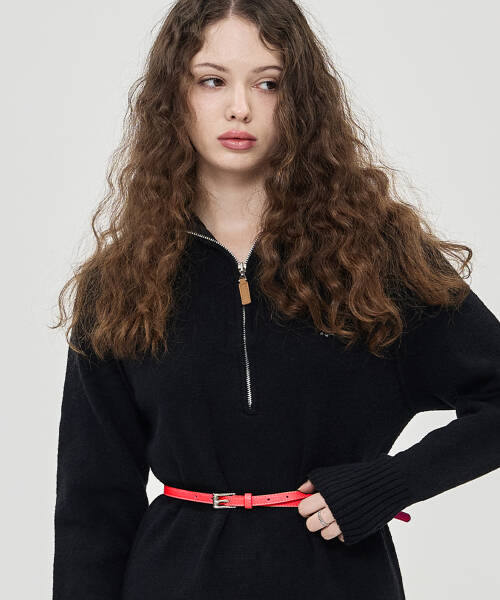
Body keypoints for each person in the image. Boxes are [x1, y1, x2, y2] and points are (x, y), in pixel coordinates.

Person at [51, 1, 500, 599]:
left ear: (302, 100)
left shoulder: (377, 257)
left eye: (269, 84)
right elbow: (92, 503)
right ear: (173, 96)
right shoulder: (121, 281)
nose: (240, 107)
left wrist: (388, 484)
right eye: (212, 81)